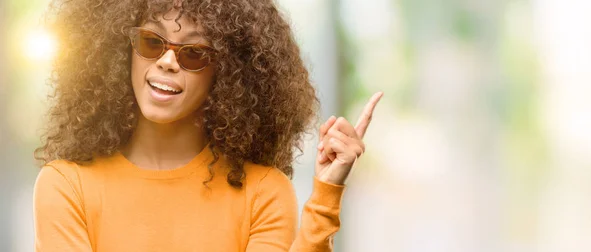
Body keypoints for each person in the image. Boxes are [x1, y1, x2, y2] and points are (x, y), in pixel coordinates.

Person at [33, 0, 383, 251]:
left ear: (229, 73)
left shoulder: (262, 193)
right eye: (152, 42)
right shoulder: (66, 185)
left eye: (194, 53)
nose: (168, 61)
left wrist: (324, 200)